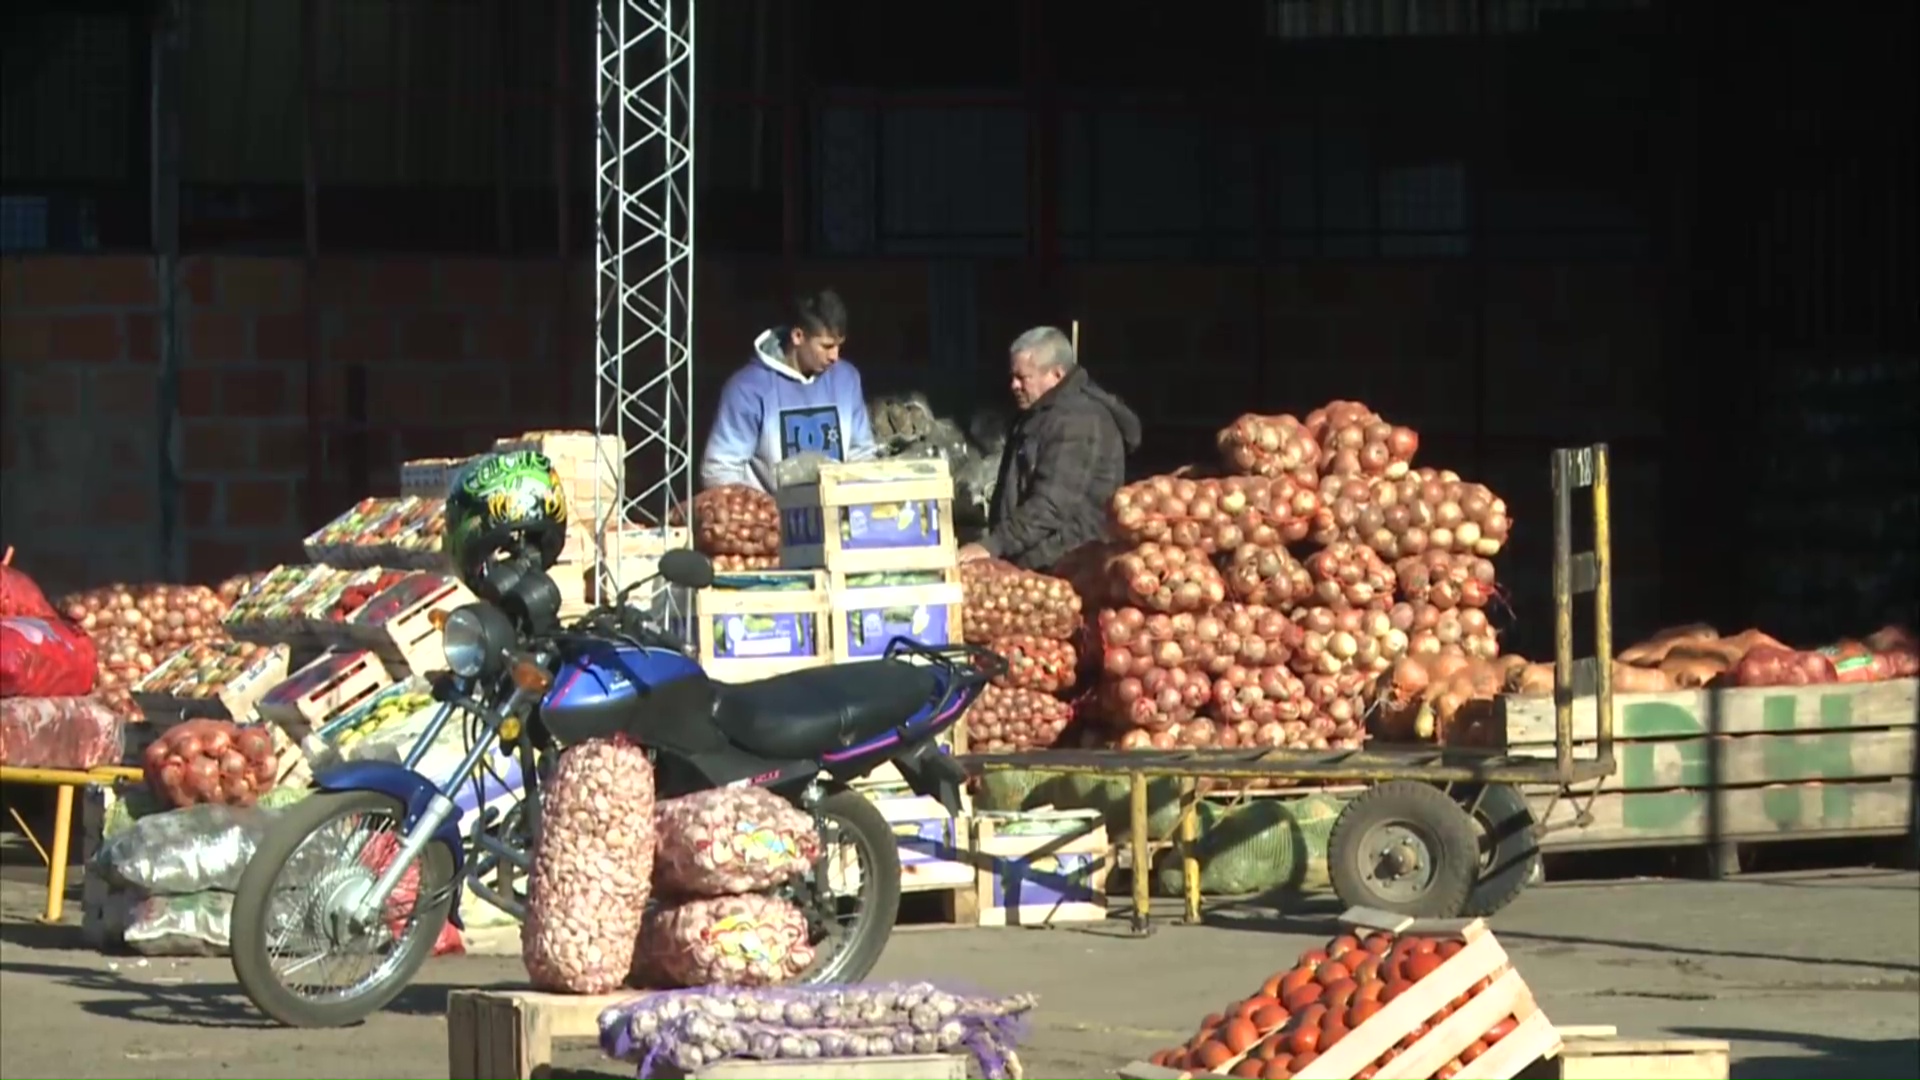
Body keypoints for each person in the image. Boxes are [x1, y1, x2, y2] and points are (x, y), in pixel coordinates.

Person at [957, 326, 1141, 571]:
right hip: (1037, 558)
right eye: (1012, 376)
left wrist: (993, 545)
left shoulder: (1078, 421)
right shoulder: (1042, 411)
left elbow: (1051, 505)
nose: (1014, 385)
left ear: (1056, 374)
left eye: (1023, 378)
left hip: (1065, 564)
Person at [701, 289, 877, 492]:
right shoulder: (748, 389)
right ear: (798, 336)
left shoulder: (846, 379)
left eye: (839, 346)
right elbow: (720, 469)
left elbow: (862, 455)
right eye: (826, 346)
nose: (835, 356)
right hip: (772, 519)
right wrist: (763, 511)